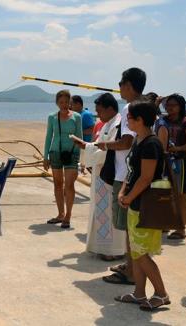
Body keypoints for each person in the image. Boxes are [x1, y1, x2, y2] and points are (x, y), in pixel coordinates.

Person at [115, 101, 170, 311]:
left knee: (141, 253)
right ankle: (139, 293)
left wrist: (128, 198)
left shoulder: (151, 144)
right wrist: (123, 192)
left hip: (146, 205)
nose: (127, 120)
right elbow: (132, 173)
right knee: (136, 251)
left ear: (139, 120)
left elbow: (146, 178)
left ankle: (161, 293)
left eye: (129, 117)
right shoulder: (139, 140)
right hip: (135, 203)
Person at [96, 67, 145, 285]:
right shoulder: (145, 104)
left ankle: (131, 273)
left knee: (127, 226)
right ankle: (130, 265)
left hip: (126, 173)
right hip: (135, 172)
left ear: (128, 85)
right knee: (130, 226)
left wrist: (104, 145)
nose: (119, 87)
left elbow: (126, 141)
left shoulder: (129, 108)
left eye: (120, 83)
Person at [74, 93, 126, 261]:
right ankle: (103, 247)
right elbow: (99, 145)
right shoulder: (106, 124)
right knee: (101, 211)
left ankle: (114, 250)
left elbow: (108, 149)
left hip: (109, 174)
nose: (98, 114)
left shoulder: (117, 125)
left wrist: (87, 147)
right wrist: (87, 146)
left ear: (110, 108)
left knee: (110, 213)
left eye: (100, 111)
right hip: (100, 174)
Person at [155, 94, 186, 240]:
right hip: (165, 163)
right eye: (168, 105)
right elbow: (151, 114)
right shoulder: (163, 120)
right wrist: (157, 102)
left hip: (180, 163)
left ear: (181, 106)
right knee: (165, 194)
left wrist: (178, 148)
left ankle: (181, 228)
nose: (170, 107)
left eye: (173, 105)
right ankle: (166, 224)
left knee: (181, 195)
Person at [44, 90, 82, 228]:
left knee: (69, 185)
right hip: (55, 153)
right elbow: (49, 137)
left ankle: (68, 215)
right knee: (58, 184)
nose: (64, 105)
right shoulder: (52, 117)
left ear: (70, 102)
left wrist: (80, 158)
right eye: (61, 102)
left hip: (72, 154)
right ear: (57, 103)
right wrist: (45, 157)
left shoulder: (77, 117)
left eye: (66, 102)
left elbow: (80, 138)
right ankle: (60, 214)